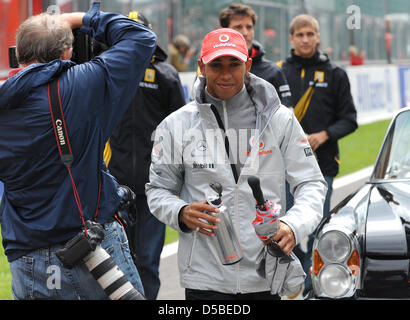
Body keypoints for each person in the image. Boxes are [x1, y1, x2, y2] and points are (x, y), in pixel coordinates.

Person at [146, 28, 327, 300]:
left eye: (234, 64)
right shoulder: (176, 125)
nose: (226, 74)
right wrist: (181, 212)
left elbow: (311, 183)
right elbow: (157, 190)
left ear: (248, 65)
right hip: (205, 278)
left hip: (266, 273)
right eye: (216, 64)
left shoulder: (279, 119)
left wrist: (293, 225)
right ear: (201, 66)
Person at [0, 3, 157, 299]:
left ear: (18, 54)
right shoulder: (85, 83)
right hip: (91, 249)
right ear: (67, 52)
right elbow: (141, 37)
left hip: (26, 256)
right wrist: (81, 19)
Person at [104, 11, 186, 300]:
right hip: (114, 186)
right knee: (114, 261)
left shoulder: (165, 75)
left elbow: (183, 130)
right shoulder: (106, 73)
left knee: (147, 261)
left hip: (155, 188)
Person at [278, 14, 358, 296]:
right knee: (287, 228)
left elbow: (350, 119)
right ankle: (297, 274)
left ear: (318, 36)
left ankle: (315, 285)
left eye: (310, 34)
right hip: (282, 170)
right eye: (300, 35)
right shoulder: (279, 73)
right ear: (291, 39)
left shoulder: (336, 74)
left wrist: (324, 135)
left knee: (315, 228)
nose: (305, 39)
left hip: (321, 167)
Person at [219, 3, 292, 107]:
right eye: (238, 27)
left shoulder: (273, 72)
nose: (245, 33)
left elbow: (286, 117)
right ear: (223, 31)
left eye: (249, 27)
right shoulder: (210, 69)